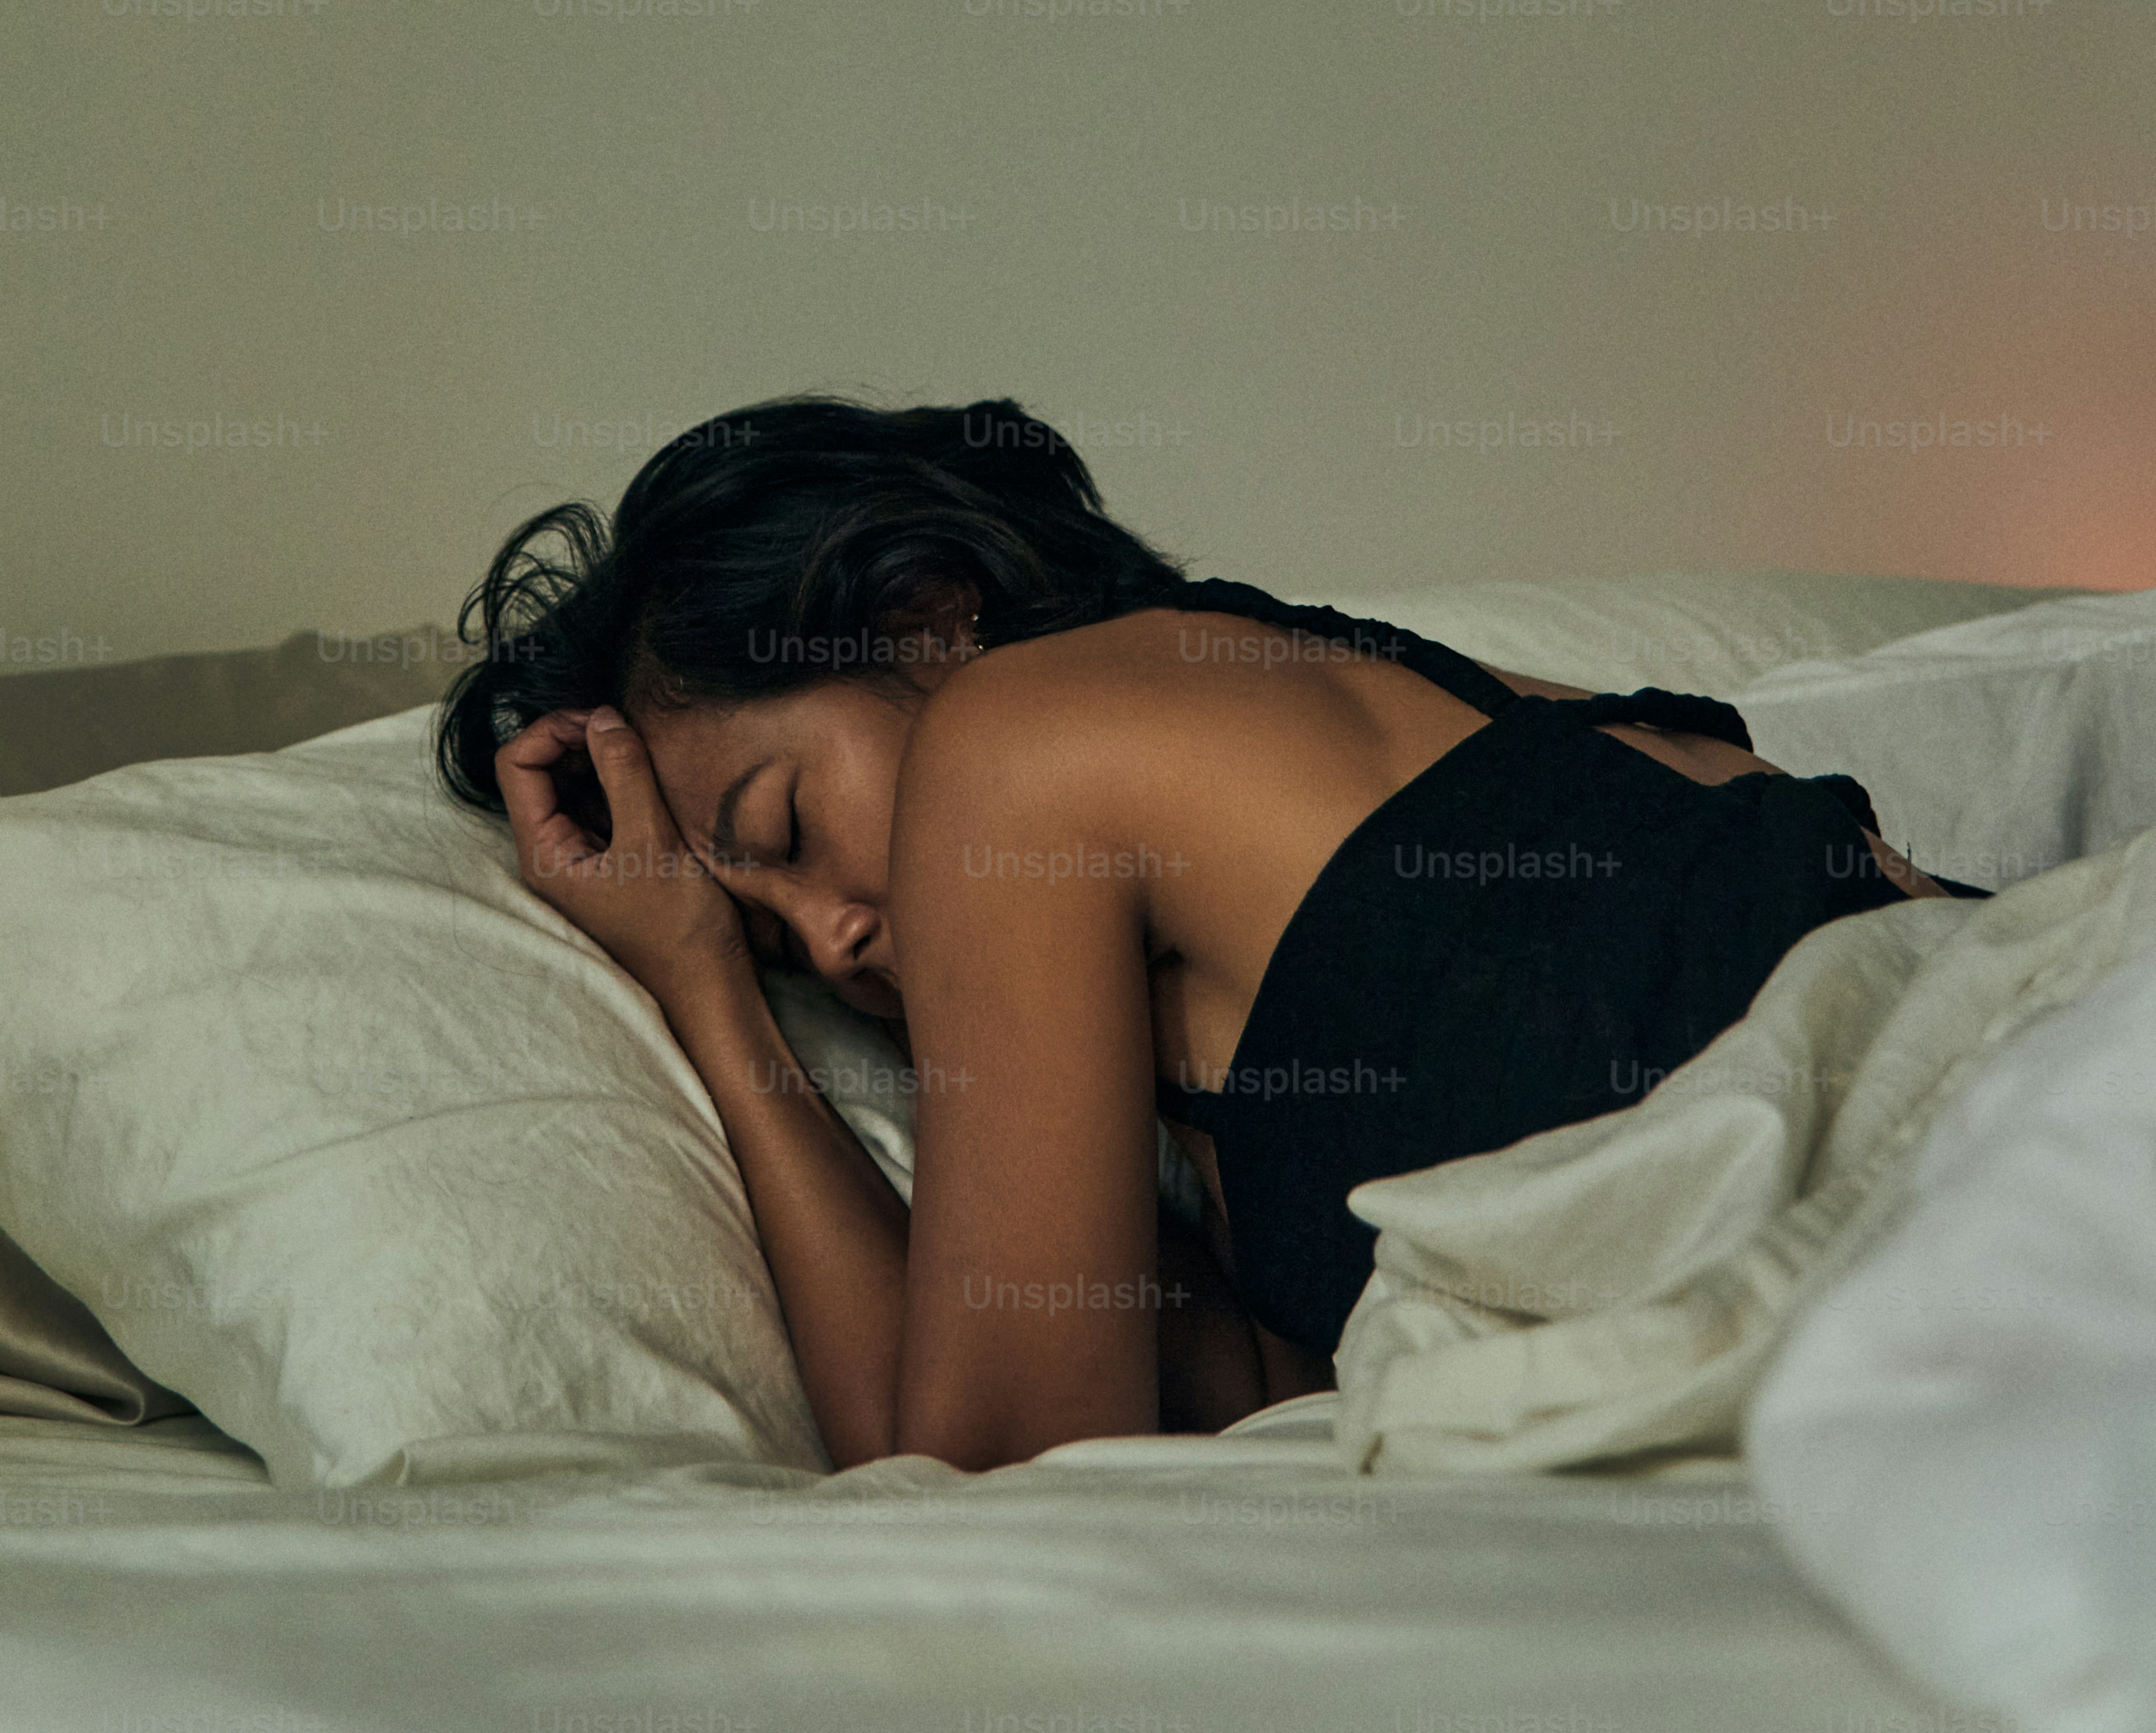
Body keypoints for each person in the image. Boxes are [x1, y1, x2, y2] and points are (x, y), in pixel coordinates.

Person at [436, 393, 1961, 1475]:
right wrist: (710, 979)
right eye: (778, 948)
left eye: (783, 829)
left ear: (927, 615)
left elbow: (988, 1483)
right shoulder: (1317, 794)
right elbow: (1057, 1425)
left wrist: (712, 995)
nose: (829, 942)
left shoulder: (1018, 738)